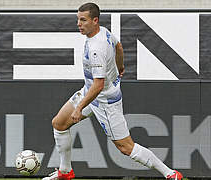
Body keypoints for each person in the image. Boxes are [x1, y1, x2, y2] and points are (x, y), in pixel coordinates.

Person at [42, 2, 183, 180]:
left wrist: (79, 108)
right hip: (90, 93)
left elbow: (98, 85)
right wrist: (120, 65)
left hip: (105, 102)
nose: (79, 23)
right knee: (59, 124)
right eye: (78, 19)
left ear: (95, 20)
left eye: (83, 20)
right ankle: (65, 172)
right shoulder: (104, 32)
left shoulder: (96, 49)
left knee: (126, 147)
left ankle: (170, 174)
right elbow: (119, 47)